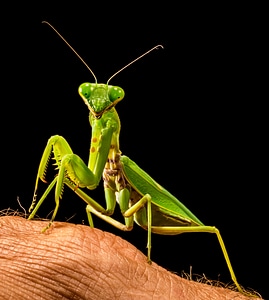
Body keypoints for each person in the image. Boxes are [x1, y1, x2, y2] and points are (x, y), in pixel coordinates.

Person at [0, 216, 260, 299]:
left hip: (155, 216)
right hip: (133, 217)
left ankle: (237, 285)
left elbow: (139, 206)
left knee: (212, 231)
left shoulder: (119, 162)